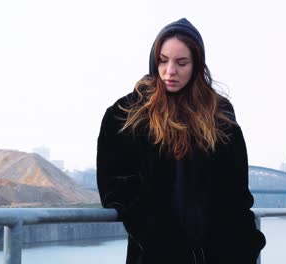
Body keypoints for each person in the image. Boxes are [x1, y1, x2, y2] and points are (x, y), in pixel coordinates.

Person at [97, 18, 266, 264]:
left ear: (197, 65)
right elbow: (115, 187)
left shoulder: (219, 115)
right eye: (162, 61)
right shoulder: (126, 115)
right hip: (157, 255)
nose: (170, 71)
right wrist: (156, 235)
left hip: (220, 255)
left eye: (181, 62)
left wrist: (245, 248)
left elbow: (237, 197)